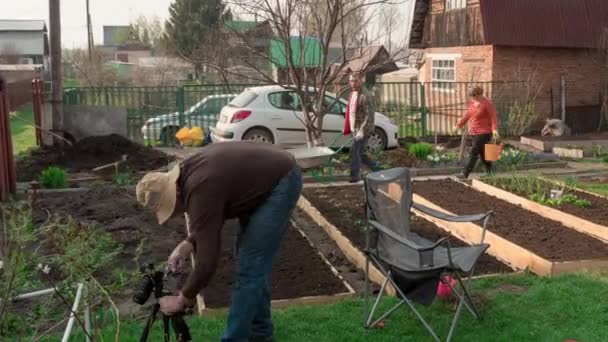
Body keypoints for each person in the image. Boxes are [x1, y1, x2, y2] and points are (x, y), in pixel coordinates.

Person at [135, 141, 302, 342]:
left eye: (171, 208)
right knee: (251, 266)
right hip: (263, 178)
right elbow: (211, 217)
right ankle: (261, 334)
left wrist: (182, 299)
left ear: (175, 193)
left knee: (251, 267)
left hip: (280, 180)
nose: (176, 213)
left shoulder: (200, 188)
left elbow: (207, 262)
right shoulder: (188, 176)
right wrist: (188, 243)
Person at [456, 86, 499, 179]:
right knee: (484, 154)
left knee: (474, 152)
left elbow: (493, 117)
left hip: (484, 132)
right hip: (474, 132)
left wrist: (494, 129)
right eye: (471, 96)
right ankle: (491, 172)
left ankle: (465, 173)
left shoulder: (487, 103)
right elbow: (468, 114)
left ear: (480, 94)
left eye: (474, 96)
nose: (473, 98)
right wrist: (459, 124)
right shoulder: (472, 102)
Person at [343, 72, 377, 182]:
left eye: (355, 81)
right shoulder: (353, 94)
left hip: (362, 129)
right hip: (355, 128)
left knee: (354, 151)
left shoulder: (365, 95)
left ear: (360, 81)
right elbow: (352, 111)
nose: (353, 83)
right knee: (360, 154)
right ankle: (378, 170)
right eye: (351, 81)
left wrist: (361, 130)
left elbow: (369, 115)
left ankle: (355, 176)